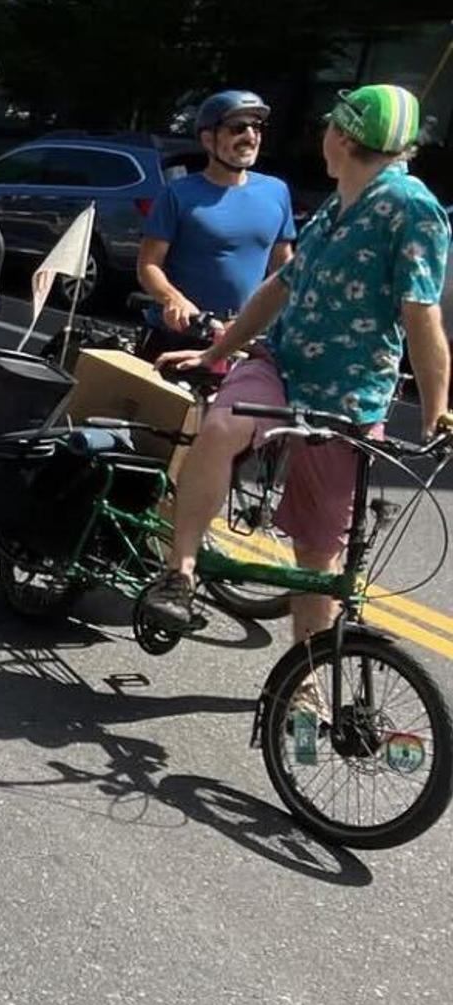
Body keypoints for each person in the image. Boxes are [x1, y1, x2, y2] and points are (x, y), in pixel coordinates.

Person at [146, 84, 451, 652]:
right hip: (280, 365)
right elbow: (278, 288)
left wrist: (437, 413)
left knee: (317, 552)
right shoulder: (336, 206)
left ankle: (307, 684)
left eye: (329, 126)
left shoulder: (412, 209)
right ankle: (180, 573)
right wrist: (215, 354)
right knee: (221, 427)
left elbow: (421, 313)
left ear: (340, 137)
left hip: (347, 396)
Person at [135, 89, 295, 355]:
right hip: (178, 335)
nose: (251, 136)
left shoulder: (276, 191)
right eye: (237, 128)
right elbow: (148, 265)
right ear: (208, 139)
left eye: (257, 127)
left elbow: (284, 268)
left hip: (241, 339)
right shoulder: (178, 194)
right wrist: (173, 300)